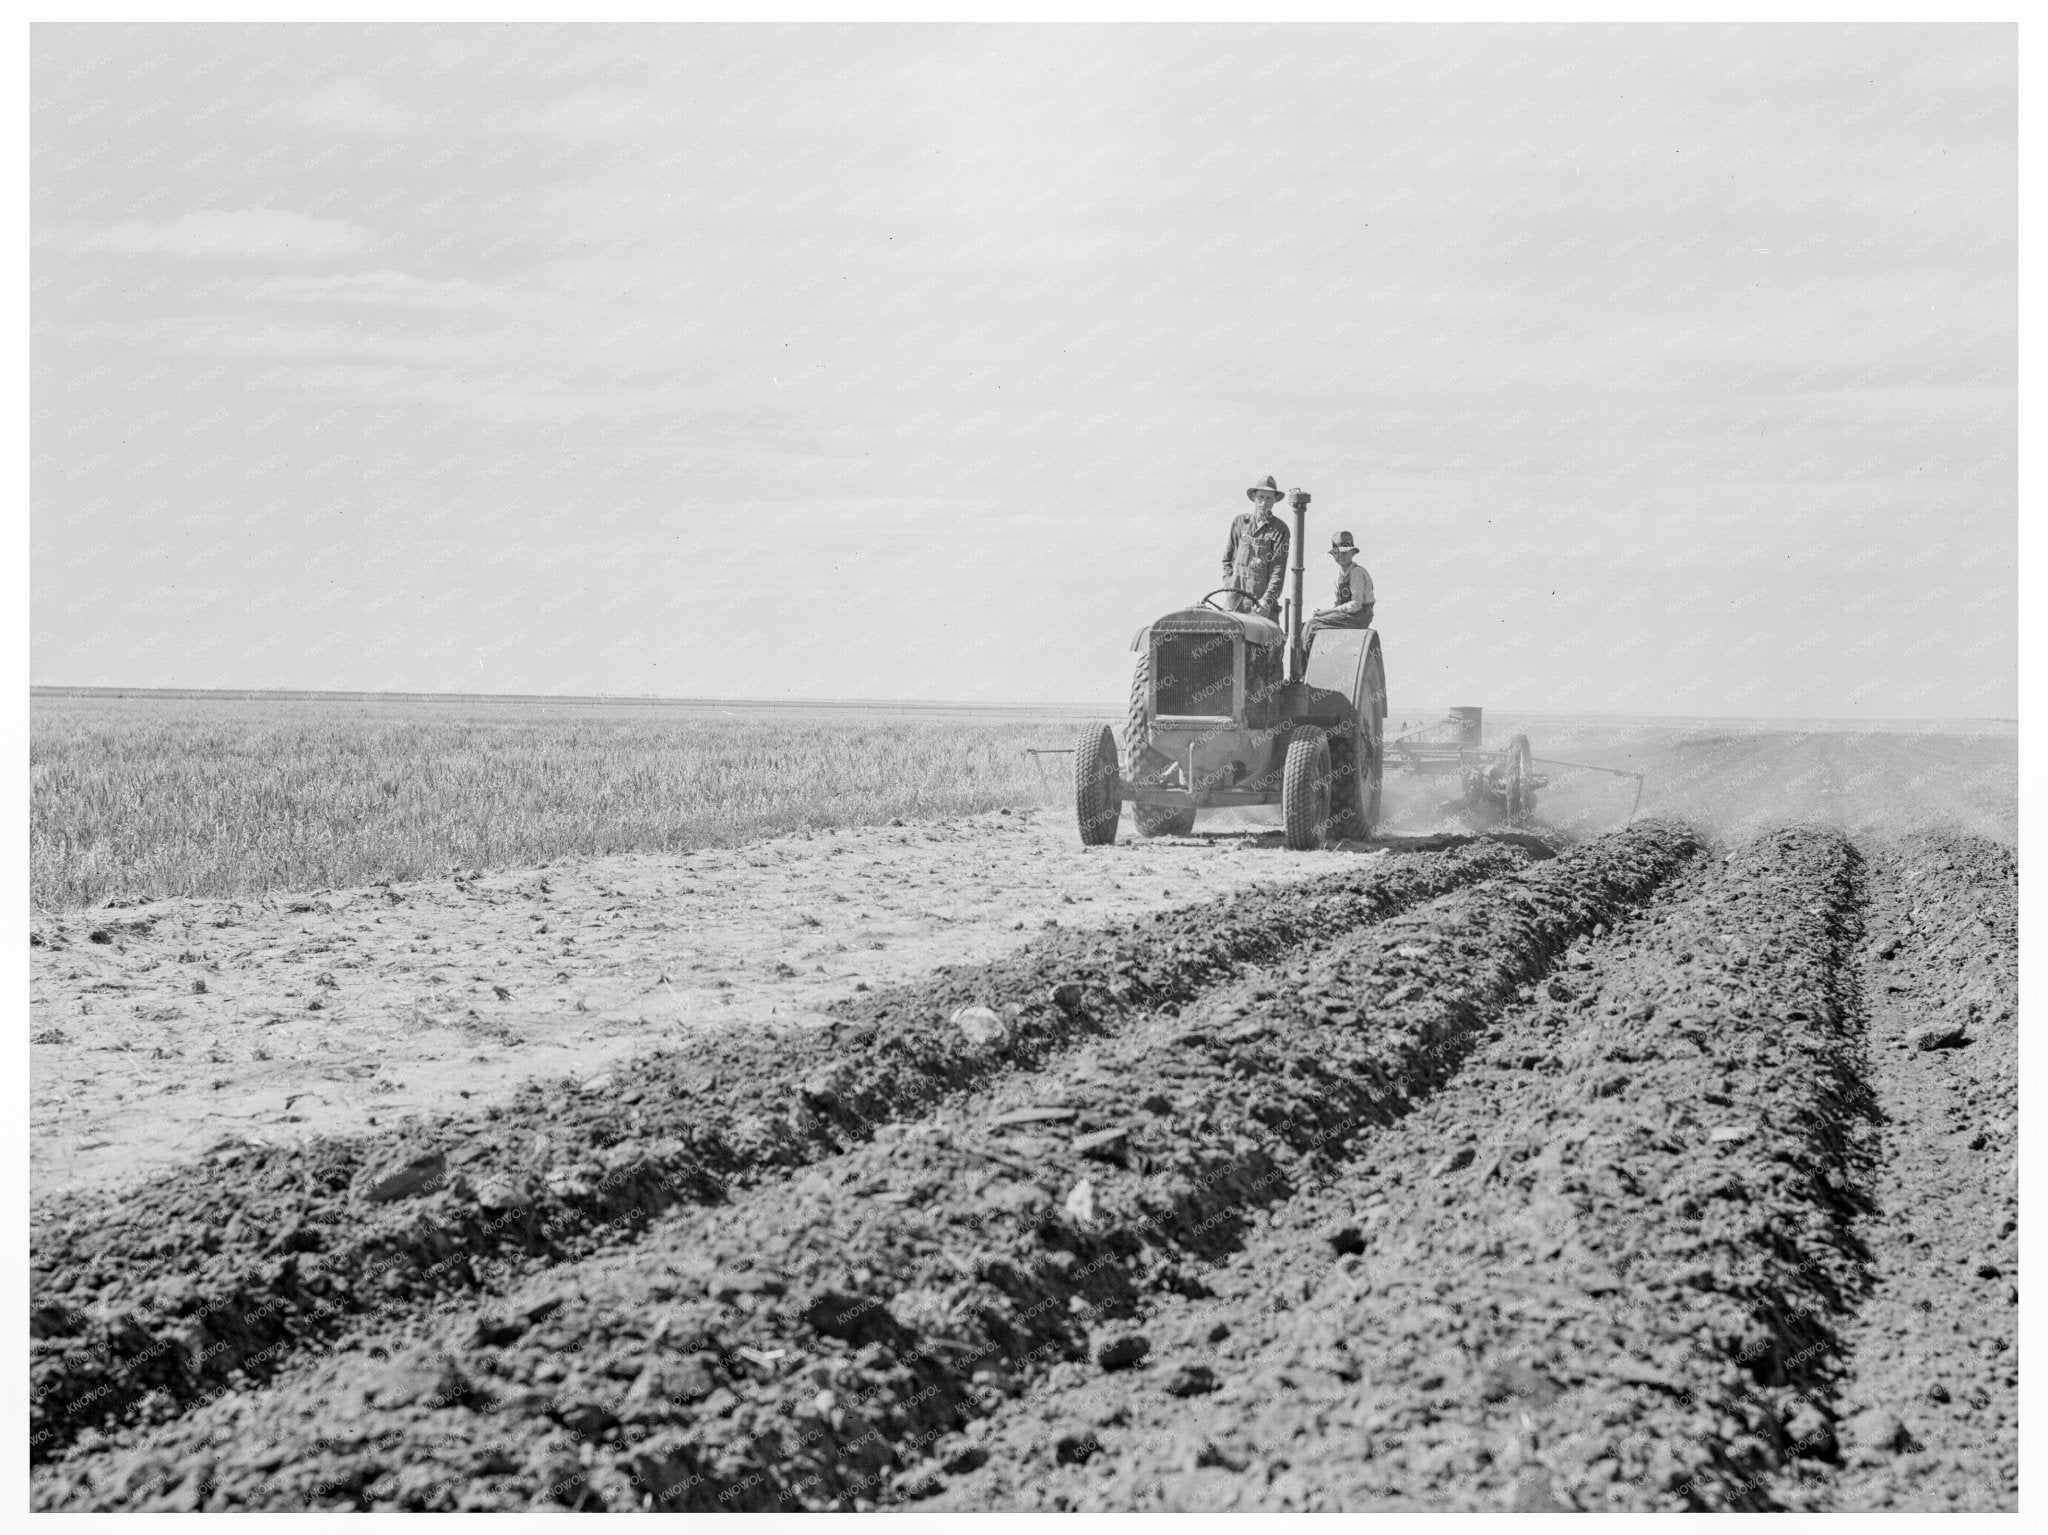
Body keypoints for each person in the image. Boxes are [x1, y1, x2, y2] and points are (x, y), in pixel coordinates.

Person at [1220, 475, 1290, 621]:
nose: (1264, 502)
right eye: (1261, 497)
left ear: (1275, 500)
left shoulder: (1280, 530)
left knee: (1266, 641)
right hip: (1234, 603)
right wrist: (1229, 584)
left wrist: (1267, 600)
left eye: (1269, 498)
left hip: (1260, 606)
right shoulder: (1240, 522)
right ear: (1254, 497)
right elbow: (1227, 559)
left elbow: (1278, 571)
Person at [1304, 530, 1375, 641]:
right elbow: (1339, 604)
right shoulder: (1340, 577)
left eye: (1345, 552)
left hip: (1359, 616)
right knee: (1305, 625)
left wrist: (1327, 612)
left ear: (1352, 553)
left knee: (1312, 625)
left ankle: (1304, 659)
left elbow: (1356, 605)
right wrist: (1324, 613)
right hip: (1349, 616)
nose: (1341, 556)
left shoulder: (1357, 572)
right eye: (1338, 552)